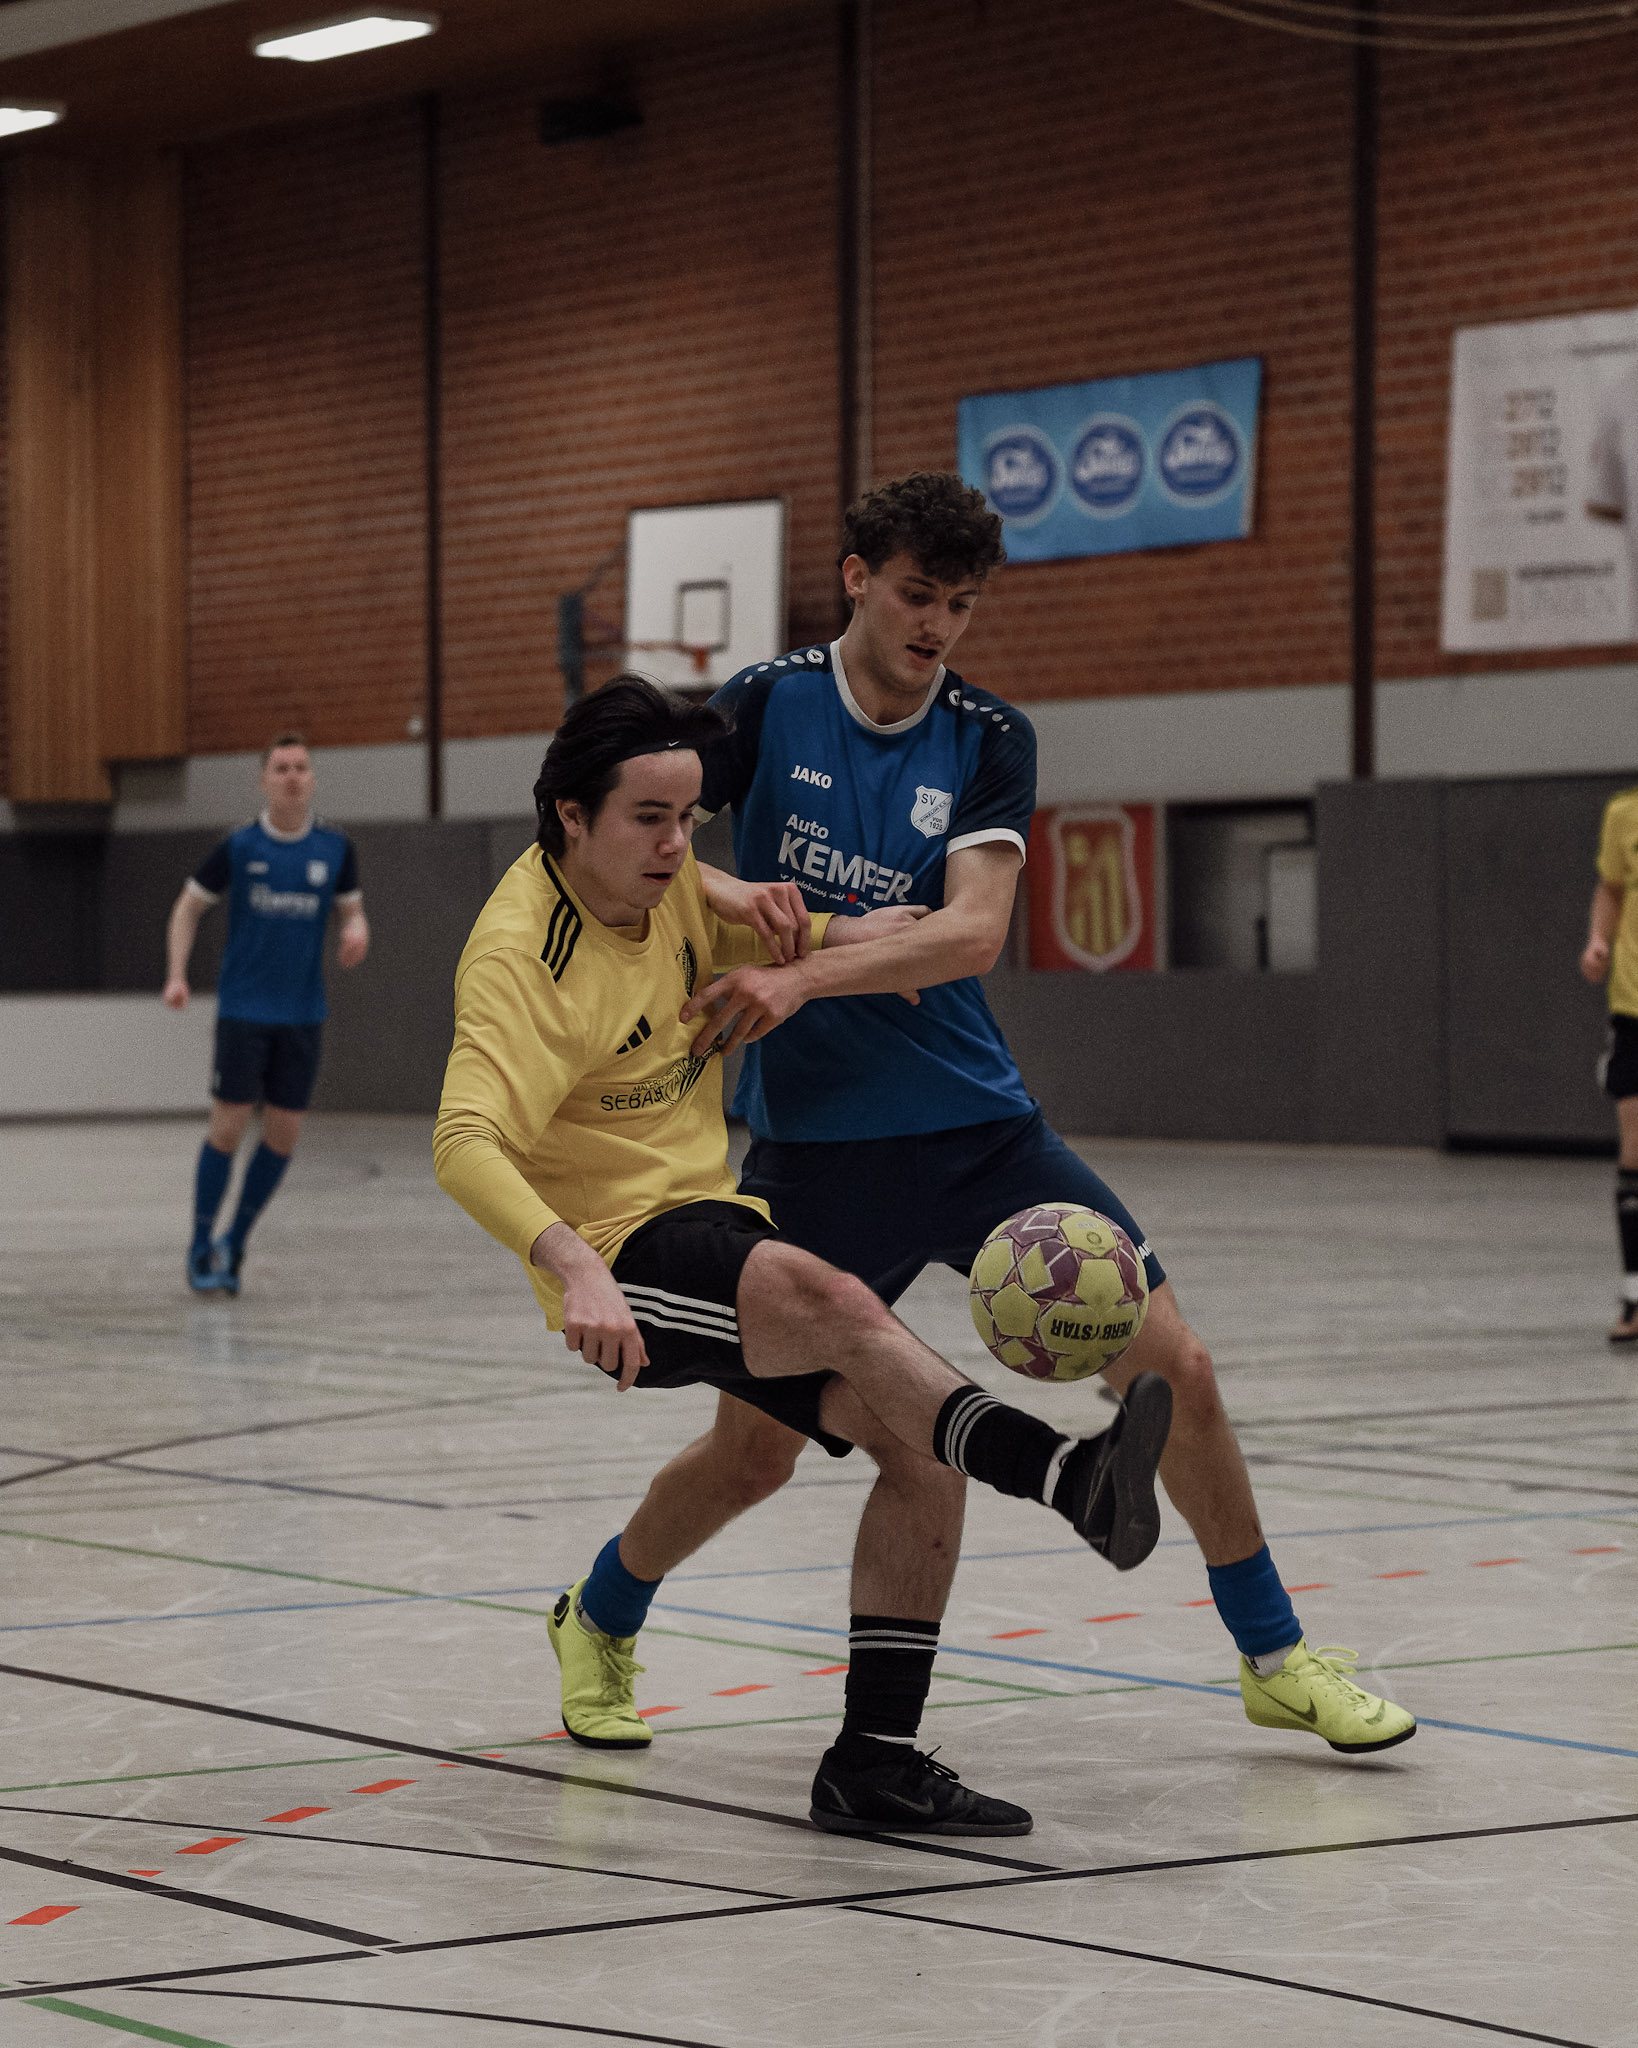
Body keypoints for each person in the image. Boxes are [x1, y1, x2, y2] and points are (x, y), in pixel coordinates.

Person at [596, 471, 1415, 1763]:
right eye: (917, 594)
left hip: (981, 1131)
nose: (937, 624)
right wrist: (737, 896)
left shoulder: (987, 735)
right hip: (817, 1154)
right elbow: (626, 837)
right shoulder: (765, 702)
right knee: (752, 1455)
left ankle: (1274, 1656)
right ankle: (599, 1616)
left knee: (1179, 1368)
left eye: (962, 605)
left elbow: (971, 933)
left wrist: (800, 973)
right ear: (858, 578)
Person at [433, 676, 1174, 1837]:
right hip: (619, 1253)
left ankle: (870, 1759)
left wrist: (853, 933)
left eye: (689, 818)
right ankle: (1065, 1476)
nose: (678, 844)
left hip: (714, 1211)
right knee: (834, 1299)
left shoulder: (668, 884)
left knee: (914, 1439)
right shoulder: (524, 953)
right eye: (649, 818)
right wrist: (573, 1266)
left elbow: (780, 924)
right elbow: (464, 1139)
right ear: (571, 814)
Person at [163, 733, 369, 1295]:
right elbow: (188, 907)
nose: (292, 776)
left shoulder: (334, 848)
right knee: (228, 1128)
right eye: (281, 768)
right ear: (264, 780)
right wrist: (177, 974)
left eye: (301, 767)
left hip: (302, 1016)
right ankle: (200, 1244)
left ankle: (235, 1241)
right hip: (244, 1012)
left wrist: (356, 932)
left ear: (312, 778)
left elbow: (353, 912)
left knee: (282, 1136)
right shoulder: (240, 845)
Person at [1580, 783, 1638, 1342]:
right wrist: (1599, 939)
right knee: (1634, 1148)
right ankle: (1636, 1295)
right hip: (1633, 1005)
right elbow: (1611, 889)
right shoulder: (1624, 813)